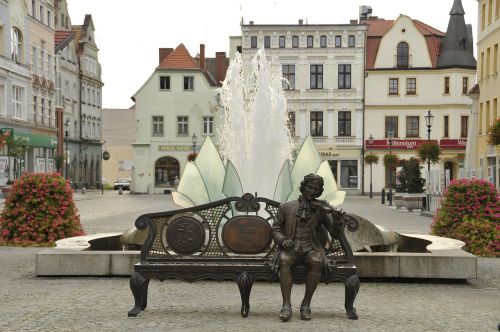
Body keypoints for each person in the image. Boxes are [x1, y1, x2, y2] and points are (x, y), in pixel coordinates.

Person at [271, 173, 340, 321]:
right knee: (283, 259)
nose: (313, 191)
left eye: (316, 189)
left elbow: (334, 233)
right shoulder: (286, 207)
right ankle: (286, 305)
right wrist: (283, 240)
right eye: (310, 187)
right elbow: (275, 229)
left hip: (311, 249)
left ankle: (306, 304)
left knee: (317, 261)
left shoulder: (321, 210)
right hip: (291, 249)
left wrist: (337, 220)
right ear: (303, 187)